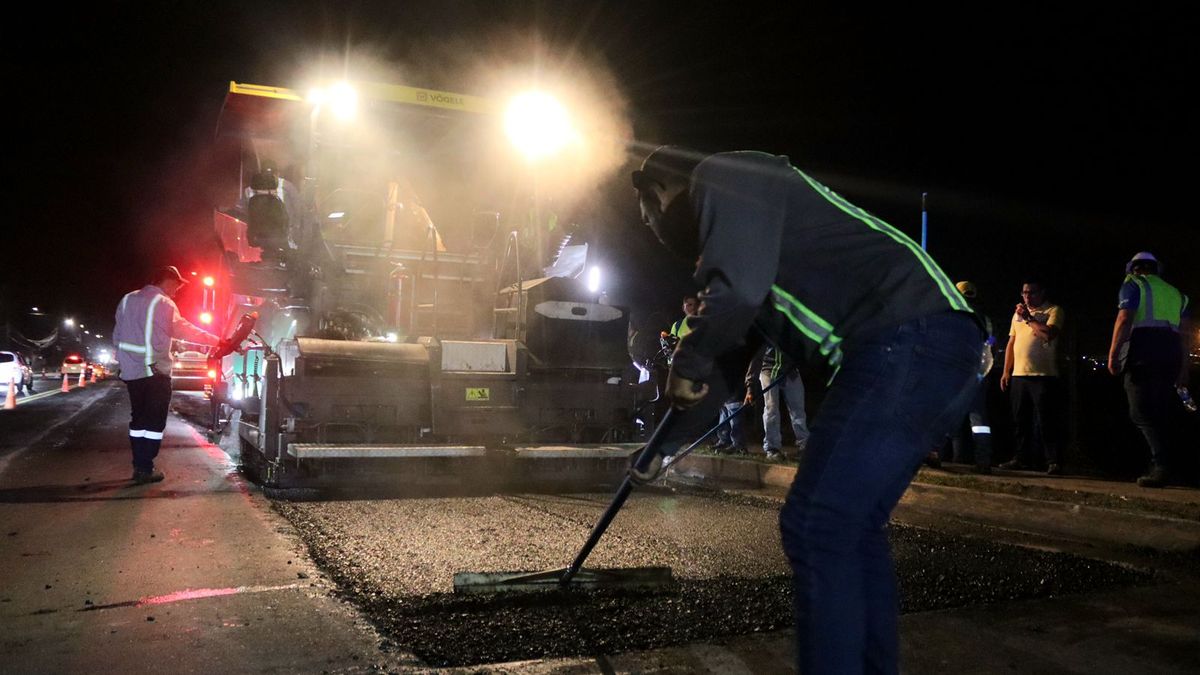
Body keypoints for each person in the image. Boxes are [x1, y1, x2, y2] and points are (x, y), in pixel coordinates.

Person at [631, 147, 983, 673]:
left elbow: (735, 299)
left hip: (906, 339)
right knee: (849, 527)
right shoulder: (747, 241)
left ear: (660, 190)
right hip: (931, 349)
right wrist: (660, 447)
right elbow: (725, 368)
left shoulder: (723, 176)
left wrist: (687, 356)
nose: (653, 227)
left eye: (647, 215)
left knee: (818, 524)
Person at [112, 266, 221, 484]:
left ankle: (139, 464)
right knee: (154, 423)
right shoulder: (162, 303)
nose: (178, 290)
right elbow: (183, 329)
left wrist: (125, 362)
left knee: (139, 419)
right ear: (168, 281)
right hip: (154, 372)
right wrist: (216, 340)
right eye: (177, 285)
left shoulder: (127, 299)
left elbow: (117, 336)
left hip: (133, 373)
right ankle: (145, 468)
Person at [1107, 252, 1191, 488]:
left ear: (1133, 269)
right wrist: (1184, 368)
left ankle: (1161, 466)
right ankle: (1167, 465)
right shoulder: (1176, 294)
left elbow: (1124, 320)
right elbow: (1185, 336)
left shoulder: (1134, 285)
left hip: (1144, 351)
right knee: (1161, 411)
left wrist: (1113, 354)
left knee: (1140, 411)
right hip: (1170, 352)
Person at [999, 280, 1064, 475]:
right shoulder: (1017, 315)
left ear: (1042, 292)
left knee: (1046, 420)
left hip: (1043, 375)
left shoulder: (1054, 310)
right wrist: (1006, 371)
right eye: (1024, 293)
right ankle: (1021, 458)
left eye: (1032, 293)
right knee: (1020, 420)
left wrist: (1028, 318)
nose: (1027, 296)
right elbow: (1012, 342)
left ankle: (1052, 461)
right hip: (1019, 375)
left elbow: (1047, 334)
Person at [949, 281, 995, 473]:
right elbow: (991, 345)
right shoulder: (985, 320)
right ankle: (983, 462)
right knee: (979, 422)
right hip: (977, 375)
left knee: (947, 416)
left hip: (955, 374)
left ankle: (944, 457)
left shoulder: (953, 315)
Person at [745, 345, 809, 461]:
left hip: (791, 372)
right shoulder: (768, 332)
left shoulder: (792, 332)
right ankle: (772, 448)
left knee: (798, 410)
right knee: (771, 410)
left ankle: (805, 446)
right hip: (769, 371)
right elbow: (756, 358)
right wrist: (750, 387)